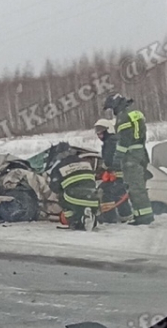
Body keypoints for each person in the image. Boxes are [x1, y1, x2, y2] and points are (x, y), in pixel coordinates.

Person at [104, 94, 154, 225]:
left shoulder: (123, 117)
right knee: (137, 186)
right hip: (141, 152)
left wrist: (116, 160)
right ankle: (141, 215)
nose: (112, 112)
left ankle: (144, 217)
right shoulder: (134, 113)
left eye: (111, 108)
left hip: (131, 155)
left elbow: (124, 140)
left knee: (135, 187)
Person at [45, 142, 99, 231]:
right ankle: (92, 217)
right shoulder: (85, 163)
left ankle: (74, 222)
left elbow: (55, 188)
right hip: (94, 197)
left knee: (63, 198)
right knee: (85, 203)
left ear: (60, 154)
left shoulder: (59, 167)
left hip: (75, 197)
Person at [93, 118, 133, 224]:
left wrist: (102, 169)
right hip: (122, 175)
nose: (98, 134)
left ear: (108, 129)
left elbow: (109, 159)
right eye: (97, 131)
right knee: (119, 194)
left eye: (100, 130)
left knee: (106, 193)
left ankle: (109, 218)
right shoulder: (115, 140)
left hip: (117, 174)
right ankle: (126, 216)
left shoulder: (110, 142)